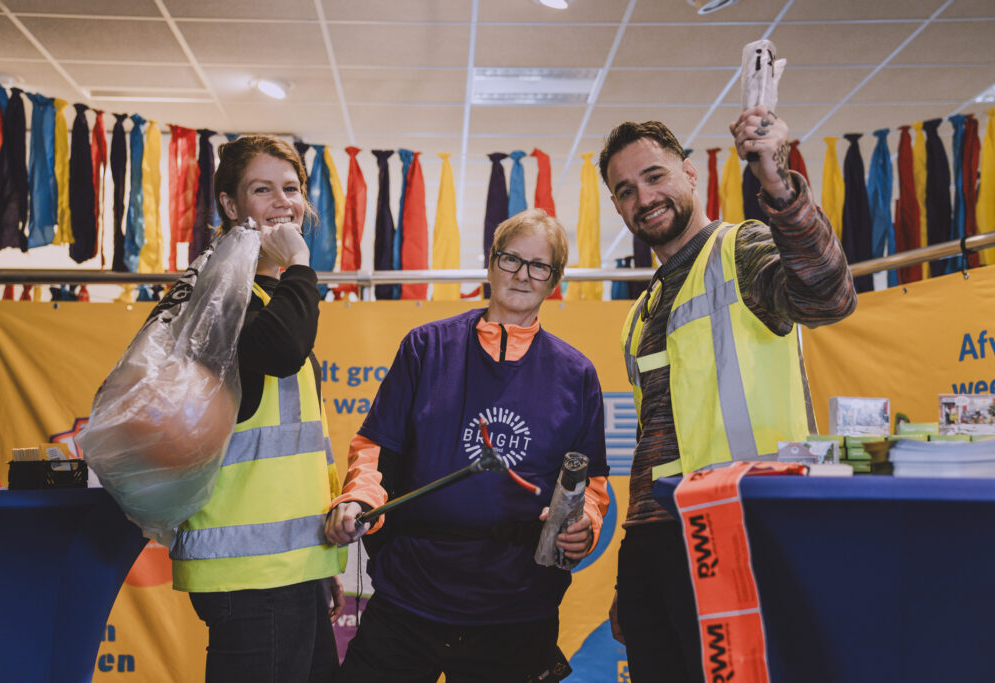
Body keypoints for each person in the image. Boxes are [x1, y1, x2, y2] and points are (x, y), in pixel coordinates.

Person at [600, 107, 857, 682]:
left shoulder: (742, 250)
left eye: (654, 176)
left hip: (740, 529)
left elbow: (829, 296)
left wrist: (777, 183)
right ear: (617, 207)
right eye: (626, 190)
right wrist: (634, 570)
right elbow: (653, 444)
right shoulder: (639, 315)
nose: (644, 197)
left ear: (690, 173)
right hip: (655, 544)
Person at [324, 208, 610, 683]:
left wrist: (586, 524)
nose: (522, 274)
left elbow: (592, 484)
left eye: (539, 266)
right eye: (511, 259)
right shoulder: (425, 348)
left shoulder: (576, 374)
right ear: (490, 263)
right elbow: (375, 448)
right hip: (410, 595)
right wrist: (358, 500)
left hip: (516, 609)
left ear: (555, 281)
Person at [167, 136, 347, 682]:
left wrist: (316, 562)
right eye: (262, 189)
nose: (282, 202)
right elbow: (281, 351)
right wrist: (299, 264)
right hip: (248, 575)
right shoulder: (220, 293)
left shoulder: (267, 296)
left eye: (291, 188)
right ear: (229, 205)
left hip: (291, 567)